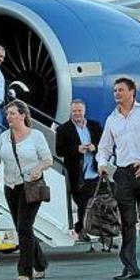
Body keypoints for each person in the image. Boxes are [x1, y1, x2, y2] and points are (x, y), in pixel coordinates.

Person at [96, 77, 140, 280]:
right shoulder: (112, 119)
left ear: (132, 91)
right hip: (124, 174)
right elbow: (104, 147)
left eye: (121, 90)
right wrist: (102, 164)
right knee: (127, 222)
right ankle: (130, 267)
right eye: (115, 90)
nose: (117, 93)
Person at [0, 100, 52, 280]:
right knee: (22, 227)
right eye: (8, 114)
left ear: (23, 115)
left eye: (13, 113)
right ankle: (40, 264)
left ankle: (25, 271)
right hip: (11, 187)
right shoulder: (4, 137)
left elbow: (48, 159)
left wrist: (39, 168)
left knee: (24, 227)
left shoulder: (36, 136)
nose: (9, 117)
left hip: (31, 186)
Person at [55, 99, 103, 240]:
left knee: (93, 203)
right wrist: (77, 149)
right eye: (74, 111)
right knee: (82, 202)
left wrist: (95, 147)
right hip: (76, 174)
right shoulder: (63, 129)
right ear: (71, 112)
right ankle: (82, 228)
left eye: (79, 111)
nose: (77, 114)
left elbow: (104, 144)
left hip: (94, 172)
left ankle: (89, 229)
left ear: (84, 111)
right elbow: (59, 151)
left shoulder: (95, 126)